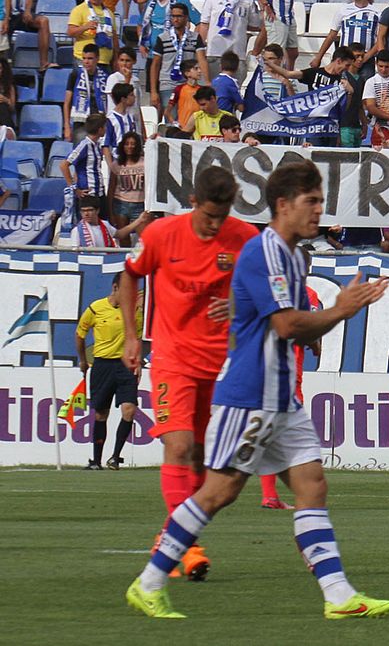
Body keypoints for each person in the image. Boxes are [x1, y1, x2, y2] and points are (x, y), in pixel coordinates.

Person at [124, 163, 389, 620]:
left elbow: (287, 321)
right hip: (251, 393)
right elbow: (285, 324)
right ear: (283, 205)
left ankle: (338, 596)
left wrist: (321, 321)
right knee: (219, 492)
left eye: (321, 201)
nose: (319, 210)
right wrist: (339, 311)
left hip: (281, 396)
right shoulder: (264, 251)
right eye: (311, 201)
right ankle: (149, 582)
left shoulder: (288, 254)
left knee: (312, 485)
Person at [114, 167, 257, 583]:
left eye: (222, 216)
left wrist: (237, 305)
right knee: (177, 446)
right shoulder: (161, 234)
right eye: (209, 216)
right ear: (193, 203)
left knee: (201, 457)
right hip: (172, 358)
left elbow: (264, 290)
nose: (215, 225)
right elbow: (130, 275)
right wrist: (131, 336)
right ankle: (186, 546)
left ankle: (170, 536)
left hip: (223, 364)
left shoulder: (245, 237)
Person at [77, 282, 140, 470]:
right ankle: (96, 461)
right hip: (102, 365)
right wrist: (83, 360)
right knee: (101, 414)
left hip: (125, 366)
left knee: (129, 410)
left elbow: (136, 339)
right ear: (115, 287)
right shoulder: (96, 308)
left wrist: (138, 362)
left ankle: (115, 457)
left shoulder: (134, 311)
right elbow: (80, 334)